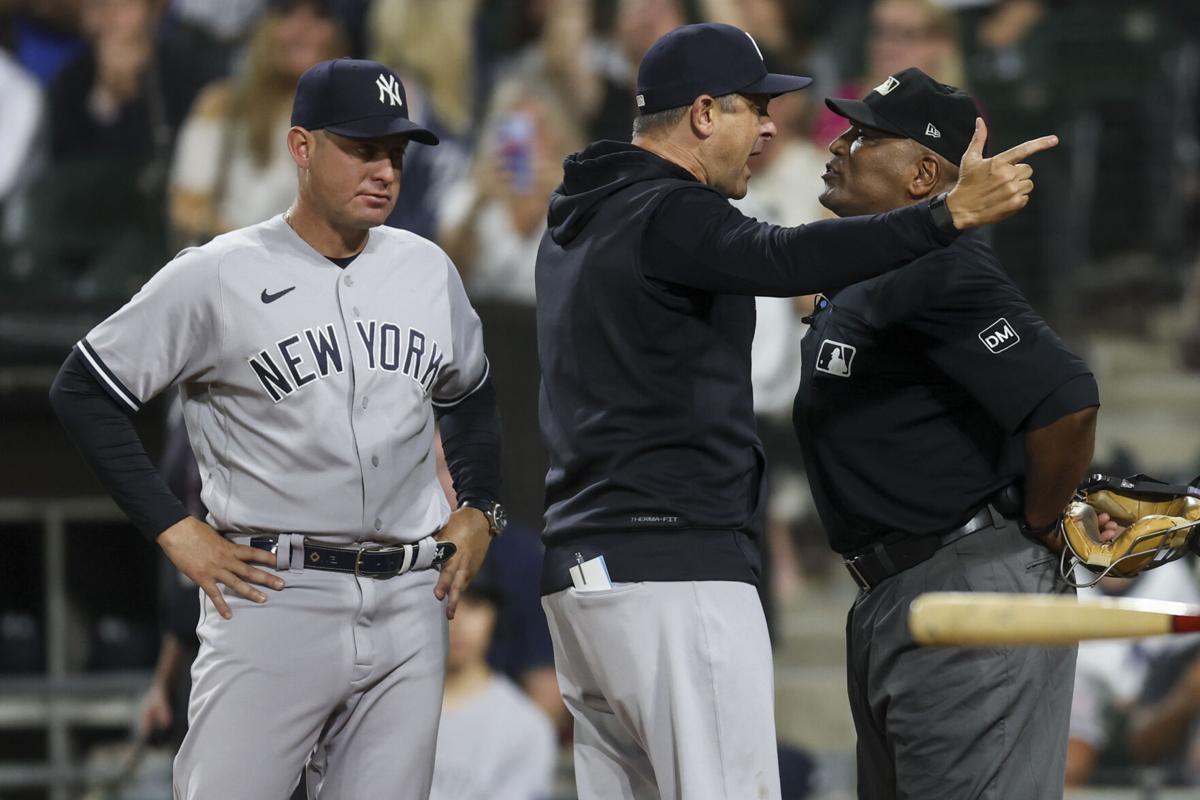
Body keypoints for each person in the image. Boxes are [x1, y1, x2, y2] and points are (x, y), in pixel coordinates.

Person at [534, 21, 1058, 799]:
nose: (773, 127)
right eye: (755, 107)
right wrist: (946, 216)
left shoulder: (582, 212)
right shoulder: (668, 209)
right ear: (704, 114)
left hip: (585, 577)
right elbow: (781, 258)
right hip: (673, 570)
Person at [48, 58, 505, 798]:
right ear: (302, 147)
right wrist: (175, 529)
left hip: (408, 603)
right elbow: (84, 389)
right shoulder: (220, 272)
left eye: (395, 151)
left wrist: (483, 505)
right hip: (273, 593)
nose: (385, 169)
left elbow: (473, 394)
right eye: (362, 148)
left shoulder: (428, 270)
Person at [792, 67, 1100, 799]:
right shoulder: (872, 268)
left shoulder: (940, 267)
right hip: (900, 592)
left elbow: (1068, 400)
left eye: (866, 136)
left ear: (924, 174)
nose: (840, 144)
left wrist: (1043, 519)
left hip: (967, 584)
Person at [430, 563, 557, 800]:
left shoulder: (526, 727)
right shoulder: (391, 706)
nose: (458, 619)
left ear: (495, 616)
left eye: (474, 605)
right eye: (446, 603)